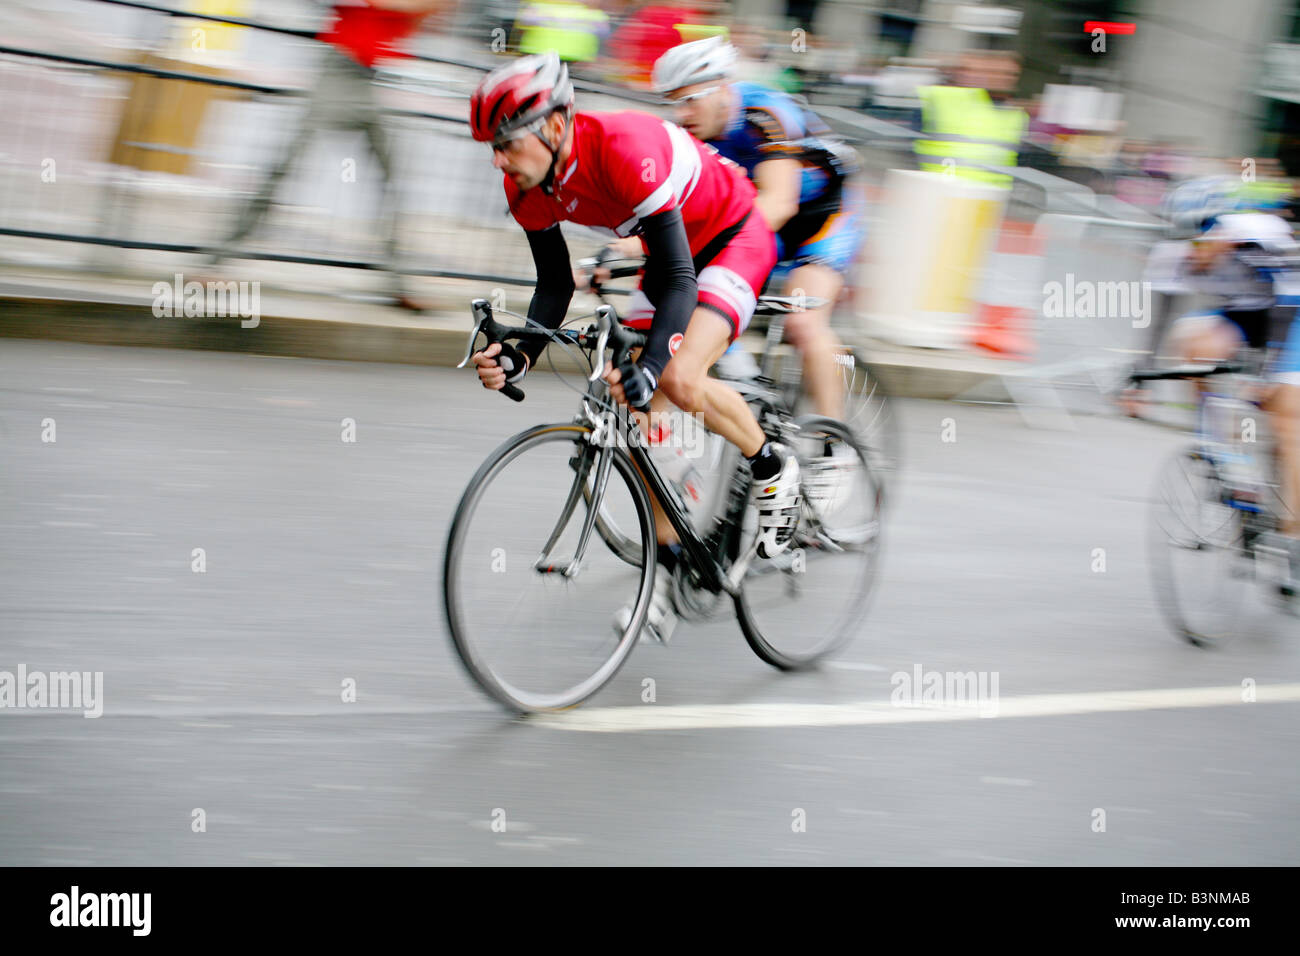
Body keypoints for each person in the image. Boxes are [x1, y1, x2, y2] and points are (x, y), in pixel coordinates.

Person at [466, 52, 802, 644]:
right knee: (639, 418)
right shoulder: (526, 187)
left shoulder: (623, 148)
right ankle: (669, 576)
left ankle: (773, 465)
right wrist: (521, 354)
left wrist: (651, 365)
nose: (497, 158)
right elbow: (554, 286)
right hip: (674, 251)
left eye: (506, 141)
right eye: (490, 146)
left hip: (731, 237)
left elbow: (677, 280)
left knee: (675, 378)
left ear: (553, 124)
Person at [636, 35, 864, 426]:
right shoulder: (691, 134)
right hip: (760, 224)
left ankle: (834, 446)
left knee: (803, 322)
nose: (682, 113)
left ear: (724, 89)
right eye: (672, 102)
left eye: (692, 99)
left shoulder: (764, 113)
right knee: (689, 306)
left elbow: (779, 201)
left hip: (820, 220)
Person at [204, 0, 442, 311]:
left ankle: (399, 282)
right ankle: (214, 263)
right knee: (285, 167)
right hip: (338, 71)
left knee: (392, 178)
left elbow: (426, 15)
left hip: (370, 77)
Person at [1160, 212, 1300, 589]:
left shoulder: (1254, 248)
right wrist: (1139, 378)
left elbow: (1286, 306)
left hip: (1292, 312)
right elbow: (1165, 312)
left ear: (1220, 239)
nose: (1194, 258)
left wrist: (1269, 376)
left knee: (1286, 419)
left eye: (1201, 248)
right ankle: (1222, 450)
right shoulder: (1183, 256)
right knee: (1191, 342)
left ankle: (1293, 539)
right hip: (1244, 311)